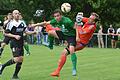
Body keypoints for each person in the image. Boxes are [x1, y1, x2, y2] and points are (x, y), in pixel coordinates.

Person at [50, 12, 99, 77]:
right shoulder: (88, 20)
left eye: (91, 19)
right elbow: (80, 18)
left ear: (94, 21)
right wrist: (79, 17)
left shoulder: (92, 26)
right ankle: (57, 72)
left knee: (68, 51)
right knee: (64, 53)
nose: (89, 19)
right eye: (89, 17)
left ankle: (72, 69)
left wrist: (78, 25)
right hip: (76, 39)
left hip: (81, 43)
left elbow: (82, 32)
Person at [0, 10, 36, 79]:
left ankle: (15, 75)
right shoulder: (11, 23)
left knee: (21, 60)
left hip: (20, 43)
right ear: (13, 15)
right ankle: (3, 66)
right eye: (15, 13)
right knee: (17, 59)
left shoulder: (22, 22)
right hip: (14, 43)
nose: (17, 15)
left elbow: (26, 32)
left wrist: (33, 32)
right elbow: (6, 33)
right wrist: (15, 36)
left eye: (18, 13)